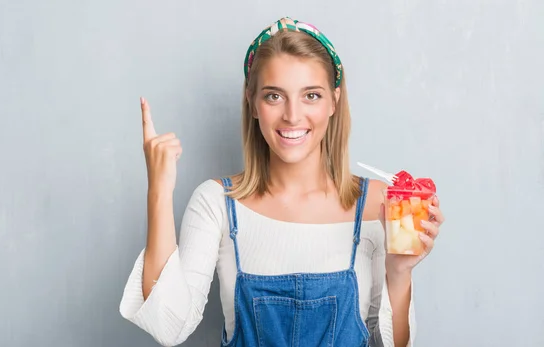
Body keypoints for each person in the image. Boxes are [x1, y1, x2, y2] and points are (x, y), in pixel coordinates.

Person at [119, 17, 445, 347]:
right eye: (274, 96)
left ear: (334, 101)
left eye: (311, 96)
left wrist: (399, 272)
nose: (292, 115)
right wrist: (158, 191)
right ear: (253, 101)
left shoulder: (379, 205)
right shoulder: (216, 203)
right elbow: (167, 327)